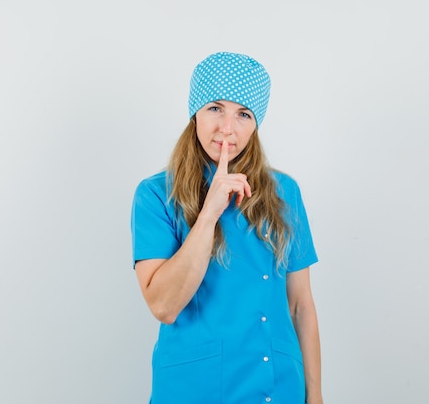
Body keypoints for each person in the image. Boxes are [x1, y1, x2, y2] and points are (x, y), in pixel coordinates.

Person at [130, 51, 323, 404]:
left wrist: (316, 396)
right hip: (193, 389)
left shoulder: (285, 193)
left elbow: (300, 304)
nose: (227, 128)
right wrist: (209, 213)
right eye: (215, 108)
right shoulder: (156, 195)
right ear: (195, 113)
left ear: (255, 124)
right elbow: (163, 306)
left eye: (243, 114)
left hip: (276, 388)